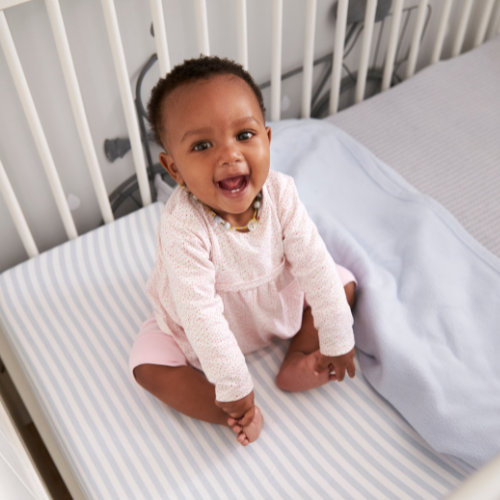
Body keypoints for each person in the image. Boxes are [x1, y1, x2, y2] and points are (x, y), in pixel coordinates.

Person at [129, 56, 357, 446]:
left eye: (245, 135)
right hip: (206, 331)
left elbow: (315, 264)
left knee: (342, 281)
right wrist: (233, 386)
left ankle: (299, 357)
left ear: (267, 139)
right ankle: (231, 412)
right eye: (202, 145)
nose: (229, 154)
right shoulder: (183, 226)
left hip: (275, 305)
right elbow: (199, 314)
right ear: (174, 169)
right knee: (145, 364)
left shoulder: (281, 194)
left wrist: (337, 338)